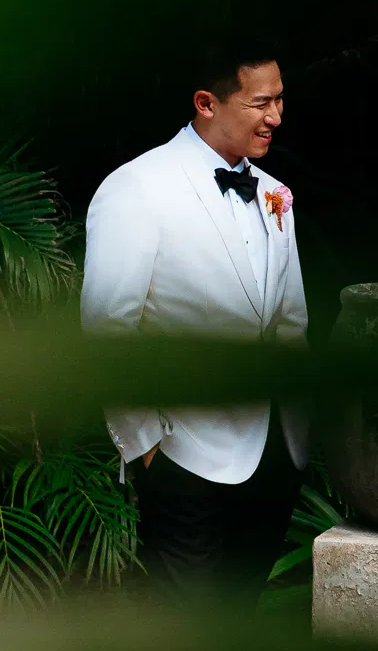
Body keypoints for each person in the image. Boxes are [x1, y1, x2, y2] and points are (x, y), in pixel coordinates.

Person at [80, 47, 308, 607]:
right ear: (206, 103)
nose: (275, 117)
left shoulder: (276, 193)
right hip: (182, 453)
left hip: (275, 451)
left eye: (280, 100)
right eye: (260, 102)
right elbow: (106, 326)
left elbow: (291, 321)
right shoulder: (137, 188)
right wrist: (145, 445)